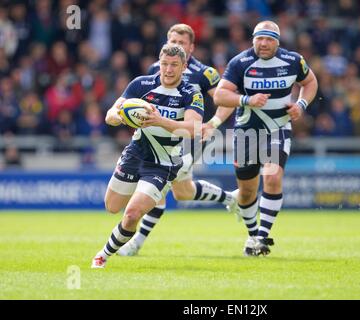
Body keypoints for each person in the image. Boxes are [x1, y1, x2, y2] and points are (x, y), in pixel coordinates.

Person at [117, 24, 237, 256]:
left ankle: (135, 244)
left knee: (159, 189)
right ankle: (229, 197)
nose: (176, 47)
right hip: (159, 140)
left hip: (188, 139)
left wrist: (213, 123)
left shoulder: (205, 73)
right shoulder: (156, 68)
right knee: (182, 192)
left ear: (191, 47)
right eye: (172, 42)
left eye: (181, 43)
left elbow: (225, 99)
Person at [91, 44, 204, 268]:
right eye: (164, 64)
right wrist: (118, 117)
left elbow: (193, 128)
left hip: (164, 162)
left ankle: (102, 255)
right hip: (136, 153)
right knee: (112, 207)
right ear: (158, 63)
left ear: (184, 67)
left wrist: (159, 120)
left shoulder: (191, 93)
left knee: (132, 214)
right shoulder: (141, 84)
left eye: (174, 65)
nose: (168, 69)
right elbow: (111, 113)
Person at [213, 21, 318, 256]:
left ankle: (261, 237)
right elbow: (219, 96)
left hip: (277, 128)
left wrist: (301, 104)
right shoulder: (240, 62)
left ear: (277, 42)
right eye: (259, 38)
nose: (263, 43)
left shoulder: (293, 61)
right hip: (247, 131)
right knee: (247, 192)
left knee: (272, 178)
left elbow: (310, 82)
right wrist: (246, 100)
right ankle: (252, 236)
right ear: (253, 39)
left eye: (269, 39)